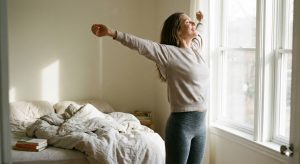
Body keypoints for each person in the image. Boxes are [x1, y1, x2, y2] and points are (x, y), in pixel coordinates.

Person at [91, 11, 208, 164]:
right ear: (177, 31)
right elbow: (139, 44)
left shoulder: (195, 49)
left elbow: (200, 32)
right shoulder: (168, 53)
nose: (192, 23)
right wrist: (111, 33)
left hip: (201, 126)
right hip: (181, 127)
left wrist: (201, 21)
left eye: (192, 22)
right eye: (187, 22)